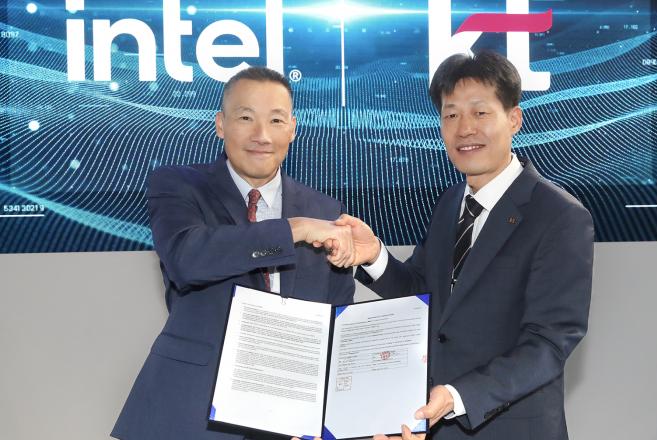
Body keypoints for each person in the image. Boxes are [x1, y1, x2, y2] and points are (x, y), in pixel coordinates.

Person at [336, 51, 594, 440]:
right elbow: (424, 294)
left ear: (514, 119)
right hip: (434, 426)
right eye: (451, 115)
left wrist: (458, 396)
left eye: (480, 112)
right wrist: (373, 256)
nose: (464, 128)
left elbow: (547, 345)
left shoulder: (560, 216)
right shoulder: (450, 202)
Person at [111, 66, 355, 440]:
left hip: (290, 419)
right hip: (190, 416)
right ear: (220, 124)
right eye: (245, 118)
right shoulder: (178, 185)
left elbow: (337, 318)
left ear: (293, 129)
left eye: (276, 120)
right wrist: (295, 230)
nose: (261, 135)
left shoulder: (325, 210)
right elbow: (187, 259)